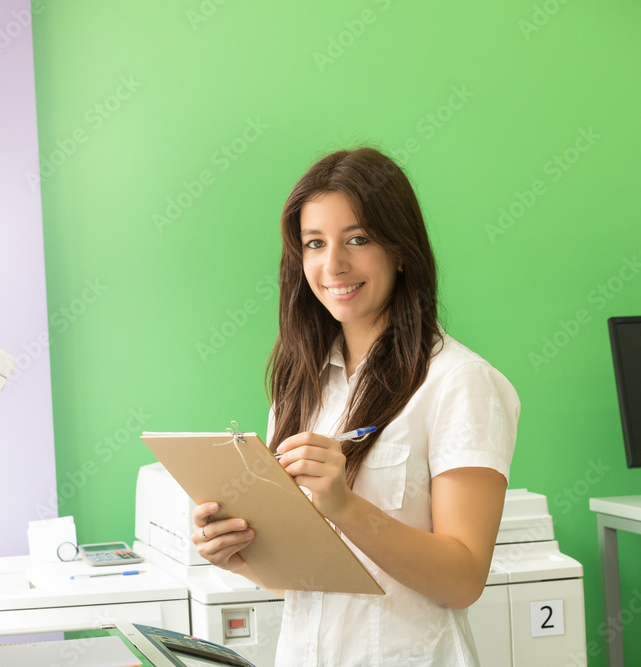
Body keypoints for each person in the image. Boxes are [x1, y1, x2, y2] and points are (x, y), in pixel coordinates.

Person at [191, 147, 519, 666]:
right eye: (315, 244)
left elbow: (463, 579)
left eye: (358, 239)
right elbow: (317, 582)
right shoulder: (302, 385)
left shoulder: (459, 382)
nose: (333, 264)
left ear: (400, 248)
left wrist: (344, 506)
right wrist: (239, 556)